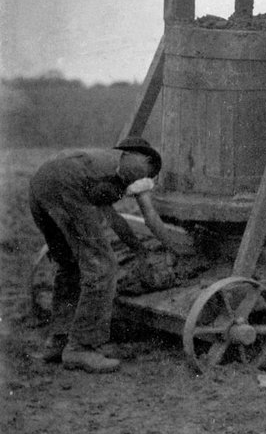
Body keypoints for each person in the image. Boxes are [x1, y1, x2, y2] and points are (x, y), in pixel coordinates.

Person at [29, 137, 183, 372]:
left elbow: (114, 220)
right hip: (67, 185)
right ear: (147, 158)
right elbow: (150, 217)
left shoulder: (99, 164)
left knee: (70, 265)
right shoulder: (139, 164)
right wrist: (176, 248)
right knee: (103, 268)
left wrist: (139, 250)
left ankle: (59, 340)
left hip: (41, 184)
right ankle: (82, 347)